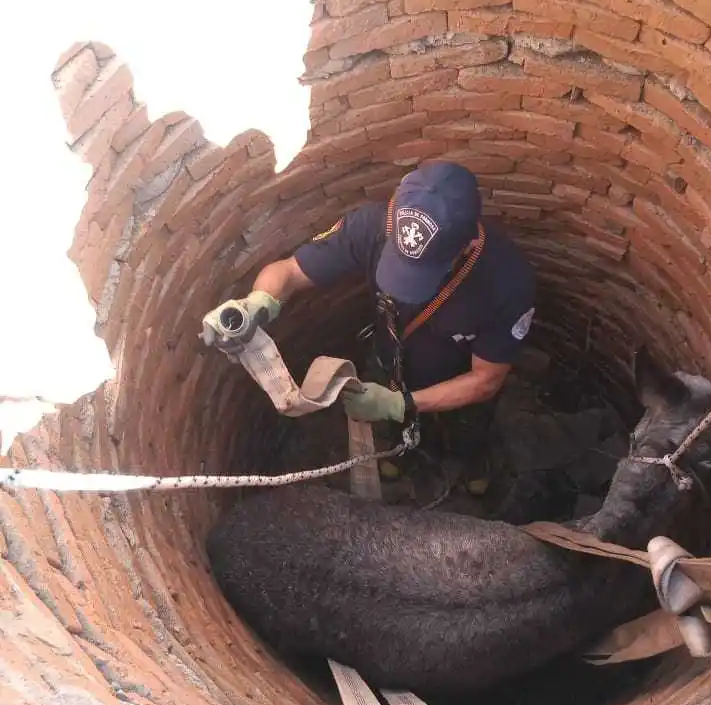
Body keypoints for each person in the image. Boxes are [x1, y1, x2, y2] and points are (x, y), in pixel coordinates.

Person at [202, 160, 536, 502]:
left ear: (464, 246)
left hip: (459, 380)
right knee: (383, 420)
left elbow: (485, 380)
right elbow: (288, 271)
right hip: (390, 358)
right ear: (394, 216)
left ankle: (471, 466)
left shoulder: (506, 283)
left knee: (467, 432)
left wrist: (401, 404)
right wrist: (258, 302)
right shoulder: (372, 226)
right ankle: (397, 457)